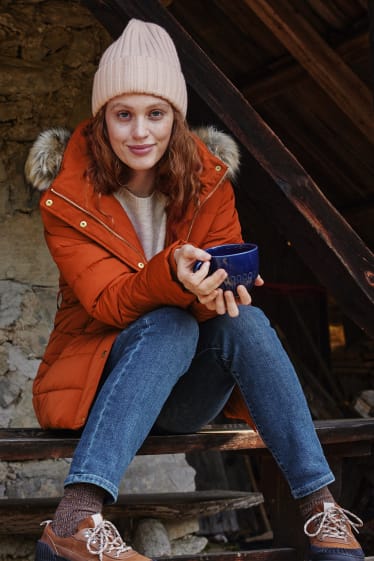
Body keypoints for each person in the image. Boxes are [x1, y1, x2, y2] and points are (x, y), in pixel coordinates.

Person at [25, 18, 365, 561]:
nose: (140, 132)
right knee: (169, 322)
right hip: (104, 387)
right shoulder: (69, 199)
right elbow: (109, 301)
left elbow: (221, 272)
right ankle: (75, 520)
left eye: (155, 114)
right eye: (123, 115)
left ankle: (319, 510)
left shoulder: (208, 185)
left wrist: (222, 292)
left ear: (176, 118)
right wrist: (176, 280)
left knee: (244, 319)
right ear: (103, 119)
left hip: (183, 393)